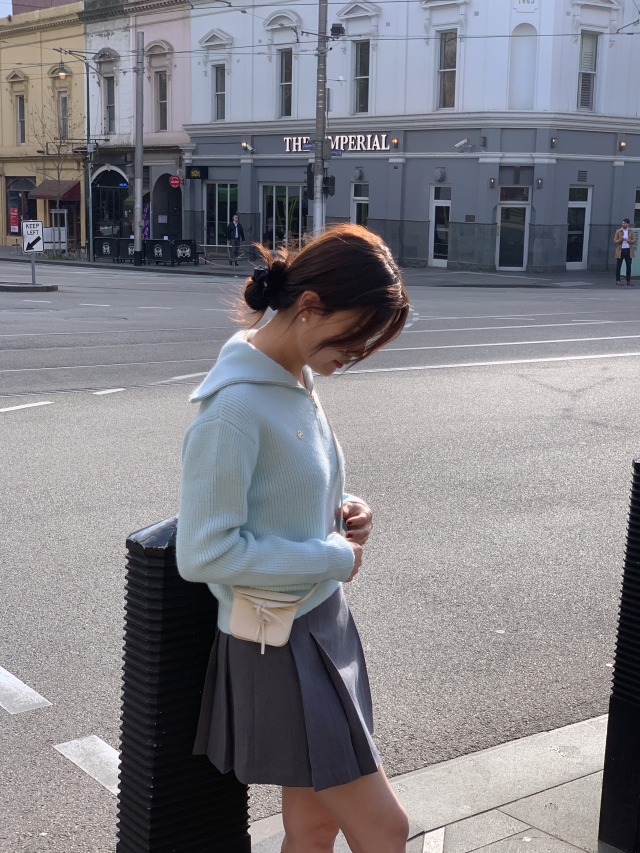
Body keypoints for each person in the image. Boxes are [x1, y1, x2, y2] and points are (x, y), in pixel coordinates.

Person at [177, 224, 411, 853]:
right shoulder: (233, 410)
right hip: (278, 637)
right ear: (309, 306)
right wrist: (332, 555)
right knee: (386, 829)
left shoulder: (296, 377)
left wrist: (342, 509)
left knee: (313, 827)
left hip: (320, 622)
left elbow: (288, 487)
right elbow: (204, 552)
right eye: (356, 336)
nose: (358, 353)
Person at [614, 218, 637, 286]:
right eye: (623, 223)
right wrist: (620, 240)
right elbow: (615, 241)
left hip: (628, 250)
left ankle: (628, 280)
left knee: (628, 266)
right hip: (620, 250)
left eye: (624, 223)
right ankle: (618, 280)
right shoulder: (618, 231)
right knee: (619, 265)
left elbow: (634, 241)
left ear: (627, 224)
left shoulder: (631, 231)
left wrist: (628, 241)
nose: (623, 224)